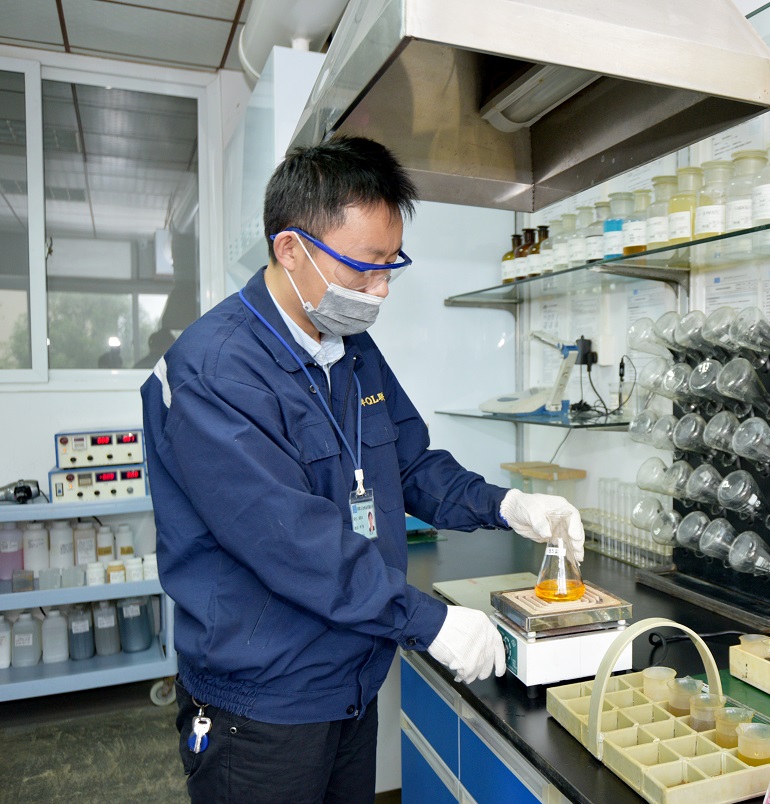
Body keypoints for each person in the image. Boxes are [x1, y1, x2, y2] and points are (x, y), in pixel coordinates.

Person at [140, 136, 584, 802]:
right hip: (261, 706)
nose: (379, 289)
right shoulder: (217, 371)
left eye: (390, 265)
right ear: (291, 249)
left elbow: (410, 462)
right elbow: (293, 542)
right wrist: (430, 622)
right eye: (364, 266)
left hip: (350, 677)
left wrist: (506, 505)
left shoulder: (349, 347)